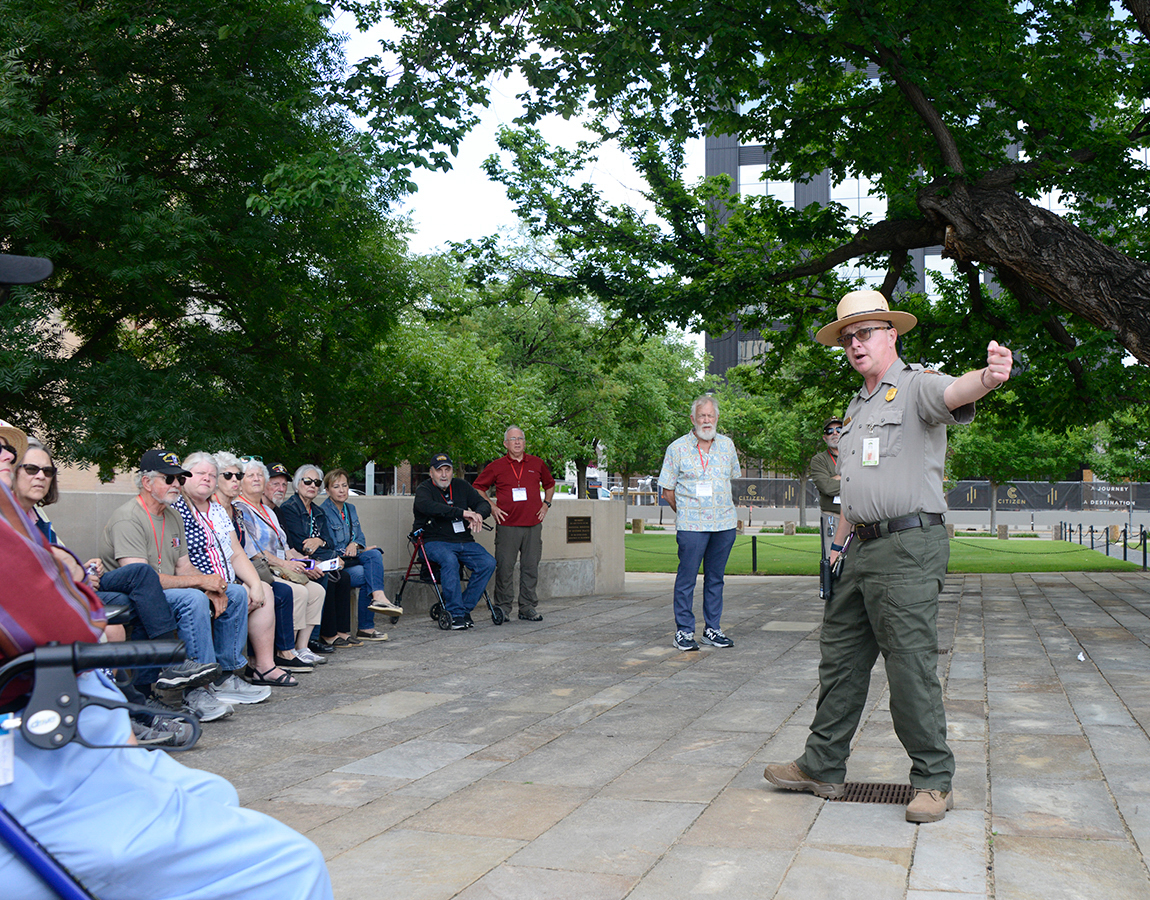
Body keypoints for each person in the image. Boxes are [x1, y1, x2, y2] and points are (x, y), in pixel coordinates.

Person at [0, 251, 333, 899]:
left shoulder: (179, 516)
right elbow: (80, 607)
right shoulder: (126, 513)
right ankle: (179, 674)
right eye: (184, 478)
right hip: (35, 749)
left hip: (54, 714)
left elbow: (189, 561)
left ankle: (205, 673)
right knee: (290, 868)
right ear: (153, 481)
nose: (30, 475)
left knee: (244, 599)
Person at [764, 289, 1013, 824]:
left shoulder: (915, 386)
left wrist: (989, 378)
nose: (856, 344)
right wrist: (837, 546)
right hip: (858, 548)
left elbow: (954, 391)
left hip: (908, 546)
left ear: (891, 336)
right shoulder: (855, 409)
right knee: (841, 662)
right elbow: (855, 488)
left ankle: (932, 780)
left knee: (908, 666)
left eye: (866, 332)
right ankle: (822, 766)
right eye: (848, 337)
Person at [12, 438, 216, 708]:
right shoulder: (127, 516)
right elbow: (35, 570)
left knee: (139, 597)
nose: (177, 485)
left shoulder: (38, 515)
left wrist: (83, 568)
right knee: (145, 585)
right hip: (59, 594)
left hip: (83, 585)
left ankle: (149, 695)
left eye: (48, 471)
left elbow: (58, 558)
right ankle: (166, 673)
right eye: (31, 470)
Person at [99, 449, 247, 722]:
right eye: (169, 480)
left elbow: (184, 567)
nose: (177, 485)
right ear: (146, 482)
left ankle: (224, 677)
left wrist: (209, 586)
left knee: (235, 591)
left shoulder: (172, 515)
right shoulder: (128, 517)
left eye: (179, 479)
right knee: (193, 600)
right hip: (136, 597)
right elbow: (144, 580)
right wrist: (201, 584)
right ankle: (195, 690)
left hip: (169, 589)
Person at [176, 452, 295, 690]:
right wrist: (213, 587)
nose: (207, 479)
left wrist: (253, 584)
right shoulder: (177, 508)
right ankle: (217, 678)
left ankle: (259, 667)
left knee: (261, 590)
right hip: (199, 585)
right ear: (185, 476)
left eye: (212, 474)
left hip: (226, 582)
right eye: (202, 474)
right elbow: (181, 563)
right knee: (239, 594)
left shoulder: (217, 510)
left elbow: (236, 552)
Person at [658, 395, 742, 651]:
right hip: (692, 526)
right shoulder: (677, 448)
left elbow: (731, 480)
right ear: (693, 419)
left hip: (724, 524)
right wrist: (686, 511)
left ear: (717, 418)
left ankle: (712, 629)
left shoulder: (727, 446)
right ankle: (684, 631)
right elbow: (667, 490)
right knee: (687, 579)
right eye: (702, 416)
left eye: (711, 416)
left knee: (716, 579)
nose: (706, 420)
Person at [215, 451, 309, 673]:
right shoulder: (227, 509)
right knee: (277, 592)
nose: (235, 481)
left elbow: (243, 550)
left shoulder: (239, 511)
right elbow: (251, 551)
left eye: (238, 476)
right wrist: (281, 566)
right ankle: (263, 658)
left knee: (313, 585)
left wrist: (297, 559)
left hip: (245, 571)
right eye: (229, 476)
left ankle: (287, 652)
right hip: (235, 573)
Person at [235, 459, 326, 666]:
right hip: (262, 569)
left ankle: (301, 647)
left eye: (283, 484)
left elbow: (286, 548)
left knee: (317, 591)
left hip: (279, 566)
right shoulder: (241, 508)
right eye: (274, 483)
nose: (280, 488)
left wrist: (304, 562)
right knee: (299, 592)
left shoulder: (270, 511)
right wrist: (286, 564)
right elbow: (253, 551)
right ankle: (284, 650)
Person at [473, 426, 556, 622]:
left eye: (520, 438)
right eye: (513, 439)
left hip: (533, 525)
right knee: (505, 568)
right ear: (505, 444)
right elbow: (478, 487)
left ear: (524, 442)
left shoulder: (536, 463)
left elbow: (550, 484)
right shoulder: (496, 466)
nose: (517, 442)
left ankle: (527, 607)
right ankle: (502, 607)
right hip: (507, 525)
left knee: (530, 567)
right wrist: (492, 507)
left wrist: (546, 504)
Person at [411, 452, 496, 630]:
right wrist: (463, 513)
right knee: (449, 560)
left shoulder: (461, 485)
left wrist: (479, 514)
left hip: (464, 540)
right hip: (434, 541)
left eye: (447, 470)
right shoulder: (424, 489)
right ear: (431, 472)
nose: (443, 474)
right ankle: (456, 614)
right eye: (439, 470)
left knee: (488, 562)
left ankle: (462, 609)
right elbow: (428, 507)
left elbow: (484, 504)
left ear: (452, 472)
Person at [277, 465, 357, 649]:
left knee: (344, 577)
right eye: (307, 481)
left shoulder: (318, 511)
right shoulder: (290, 508)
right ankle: (320, 636)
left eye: (317, 482)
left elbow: (328, 541)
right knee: (325, 577)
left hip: (320, 559)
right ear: (297, 484)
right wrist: (320, 551)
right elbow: (300, 544)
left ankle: (341, 632)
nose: (312, 485)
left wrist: (319, 541)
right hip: (299, 560)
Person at [321, 467, 401, 642]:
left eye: (344, 485)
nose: (342, 490)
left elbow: (360, 536)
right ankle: (367, 623)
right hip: (338, 562)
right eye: (336, 486)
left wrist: (355, 544)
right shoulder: (323, 512)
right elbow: (328, 545)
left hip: (354, 557)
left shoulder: (351, 509)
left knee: (374, 555)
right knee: (370, 570)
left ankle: (377, 600)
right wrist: (352, 549)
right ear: (327, 490)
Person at [809, 416, 843, 545]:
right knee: (832, 560)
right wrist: (852, 478)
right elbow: (827, 487)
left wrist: (837, 478)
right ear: (825, 437)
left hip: (856, 518)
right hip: (832, 516)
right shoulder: (819, 460)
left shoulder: (856, 455)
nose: (835, 433)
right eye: (830, 431)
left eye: (839, 429)